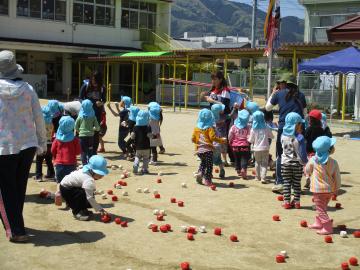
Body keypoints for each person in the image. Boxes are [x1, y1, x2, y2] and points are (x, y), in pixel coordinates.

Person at [0, 50, 46, 242]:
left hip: (4, 147)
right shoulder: (28, 89)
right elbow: (38, 117)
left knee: (6, 189)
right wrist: (42, 141)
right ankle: (17, 223)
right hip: (27, 144)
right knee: (19, 187)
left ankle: (16, 230)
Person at [265, 74, 307, 193]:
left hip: (284, 128)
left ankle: (281, 183)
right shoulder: (301, 95)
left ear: (284, 83)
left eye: (280, 83)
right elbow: (305, 114)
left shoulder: (279, 94)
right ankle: (295, 185)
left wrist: (273, 93)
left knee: (281, 155)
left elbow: (268, 108)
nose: (279, 85)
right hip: (299, 128)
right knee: (297, 155)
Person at [305, 136, 340, 235]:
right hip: (329, 190)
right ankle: (318, 222)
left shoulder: (314, 160)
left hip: (318, 190)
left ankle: (327, 227)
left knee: (320, 209)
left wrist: (307, 171)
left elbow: (307, 170)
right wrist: (336, 188)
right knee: (322, 207)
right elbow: (337, 177)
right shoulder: (334, 162)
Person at [60, 155, 109, 221]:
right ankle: (77, 212)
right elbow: (90, 198)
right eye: (100, 174)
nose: (102, 176)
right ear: (92, 171)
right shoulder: (88, 180)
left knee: (87, 194)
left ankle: (82, 209)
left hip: (68, 185)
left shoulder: (86, 169)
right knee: (82, 195)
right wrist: (100, 209)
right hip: (66, 189)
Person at [192, 109, 227, 186]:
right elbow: (213, 138)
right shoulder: (209, 128)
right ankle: (207, 180)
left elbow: (193, 139)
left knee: (203, 163)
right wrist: (221, 140)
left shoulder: (196, 128)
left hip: (199, 151)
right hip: (208, 150)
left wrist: (198, 143)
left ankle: (200, 173)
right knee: (209, 166)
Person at [51, 116, 81, 206]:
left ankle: (58, 193)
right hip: (71, 163)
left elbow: (52, 150)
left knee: (59, 181)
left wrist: (55, 157)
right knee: (69, 183)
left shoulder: (57, 139)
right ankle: (69, 201)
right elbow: (78, 152)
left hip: (59, 163)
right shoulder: (75, 139)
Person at [281, 112, 308, 209]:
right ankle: (297, 202)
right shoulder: (300, 137)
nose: (301, 126)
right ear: (296, 125)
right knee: (296, 183)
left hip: (285, 163)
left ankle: (286, 202)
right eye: (300, 124)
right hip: (297, 164)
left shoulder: (283, 136)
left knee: (286, 183)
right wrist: (305, 162)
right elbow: (302, 152)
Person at [304, 109, 333, 189]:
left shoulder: (308, 129)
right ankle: (313, 179)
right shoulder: (321, 129)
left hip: (309, 150)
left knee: (307, 165)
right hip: (318, 151)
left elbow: (304, 138)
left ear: (310, 119)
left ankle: (307, 178)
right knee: (316, 166)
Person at [79, 72, 107, 155]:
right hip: (86, 113)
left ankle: (94, 152)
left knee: (96, 132)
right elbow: (80, 98)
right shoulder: (86, 86)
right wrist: (85, 103)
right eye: (93, 80)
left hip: (97, 113)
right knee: (85, 131)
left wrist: (101, 103)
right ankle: (85, 151)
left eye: (96, 80)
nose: (94, 82)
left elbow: (104, 99)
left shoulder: (102, 87)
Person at [248, 111, 274, 184]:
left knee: (257, 162)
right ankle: (263, 178)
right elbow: (272, 136)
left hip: (256, 148)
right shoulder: (266, 127)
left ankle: (257, 177)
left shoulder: (253, 129)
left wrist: (248, 138)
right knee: (264, 164)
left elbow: (250, 140)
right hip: (265, 148)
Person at [75, 99, 100, 165]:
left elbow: (76, 127)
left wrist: (80, 131)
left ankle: (84, 165)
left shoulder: (80, 116)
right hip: (91, 137)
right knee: (90, 151)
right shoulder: (93, 116)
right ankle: (91, 164)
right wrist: (93, 129)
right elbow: (98, 128)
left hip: (82, 137)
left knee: (83, 152)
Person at [34, 105, 55, 182]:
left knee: (39, 160)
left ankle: (38, 176)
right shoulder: (51, 123)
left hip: (41, 143)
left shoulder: (39, 124)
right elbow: (53, 133)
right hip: (49, 143)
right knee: (48, 159)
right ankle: (51, 174)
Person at [228, 109, 251, 179]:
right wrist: (249, 142)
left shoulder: (233, 127)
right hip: (245, 146)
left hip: (235, 146)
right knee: (244, 158)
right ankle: (243, 169)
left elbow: (230, 135)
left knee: (237, 158)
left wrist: (230, 141)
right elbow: (249, 136)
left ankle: (238, 170)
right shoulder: (247, 127)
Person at [131, 110, 152, 175]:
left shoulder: (135, 127)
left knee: (137, 156)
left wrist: (133, 138)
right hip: (146, 146)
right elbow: (149, 135)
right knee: (146, 158)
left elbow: (132, 136)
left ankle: (135, 164)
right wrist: (152, 135)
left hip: (138, 146)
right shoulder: (148, 127)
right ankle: (145, 169)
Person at [211, 104, 227, 178]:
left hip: (211, 146)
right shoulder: (222, 119)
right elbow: (229, 116)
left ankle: (209, 173)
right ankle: (222, 170)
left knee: (209, 160)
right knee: (218, 159)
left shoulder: (210, 121)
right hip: (218, 144)